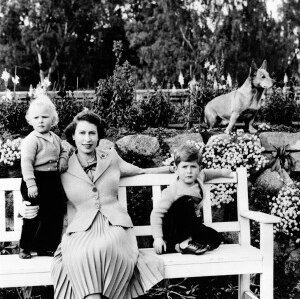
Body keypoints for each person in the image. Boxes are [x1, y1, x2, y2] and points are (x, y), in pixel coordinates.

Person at [21, 109, 175, 299]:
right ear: (73, 137)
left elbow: (140, 171)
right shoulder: (63, 166)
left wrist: (168, 168)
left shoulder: (111, 157)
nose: (87, 139)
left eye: (92, 133)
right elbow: (43, 193)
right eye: (82, 133)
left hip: (115, 225)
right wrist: (24, 208)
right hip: (81, 230)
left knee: (108, 247)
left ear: (99, 136)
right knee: (80, 255)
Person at [151, 143, 232, 255]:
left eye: (193, 167)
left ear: (199, 168)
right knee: (186, 201)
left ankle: (179, 247)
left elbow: (207, 174)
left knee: (215, 239)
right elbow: (156, 214)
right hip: (173, 227)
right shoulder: (172, 191)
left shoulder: (199, 178)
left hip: (190, 226)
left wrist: (223, 172)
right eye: (184, 167)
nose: (189, 171)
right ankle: (184, 243)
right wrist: (158, 238)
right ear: (176, 169)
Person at [19, 95, 69, 259]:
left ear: (52, 119)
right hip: (34, 179)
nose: (40, 120)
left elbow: (64, 151)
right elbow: (26, 163)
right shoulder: (31, 140)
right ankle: (25, 247)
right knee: (32, 213)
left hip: (52, 180)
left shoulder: (55, 138)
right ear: (30, 121)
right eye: (36, 117)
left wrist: (62, 160)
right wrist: (31, 184)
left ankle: (46, 246)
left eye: (45, 117)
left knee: (54, 213)